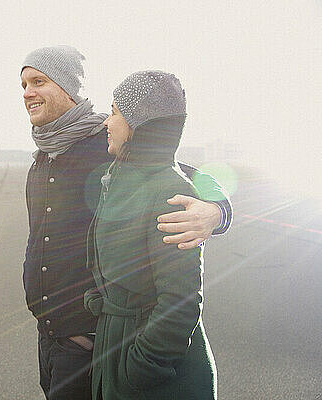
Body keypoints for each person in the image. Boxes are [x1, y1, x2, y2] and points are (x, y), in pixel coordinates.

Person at [20, 46, 230, 400]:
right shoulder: (42, 157)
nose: (27, 92)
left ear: (68, 88)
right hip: (49, 337)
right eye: (23, 84)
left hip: (90, 344)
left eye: (38, 81)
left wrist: (217, 210)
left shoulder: (109, 145)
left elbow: (187, 175)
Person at [84, 71, 217, 400]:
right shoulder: (123, 177)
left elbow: (180, 302)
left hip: (148, 373)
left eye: (115, 112)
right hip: (116, 347)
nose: (106, 122)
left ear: (138, 124)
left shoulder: (169, 190)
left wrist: (141, 370)